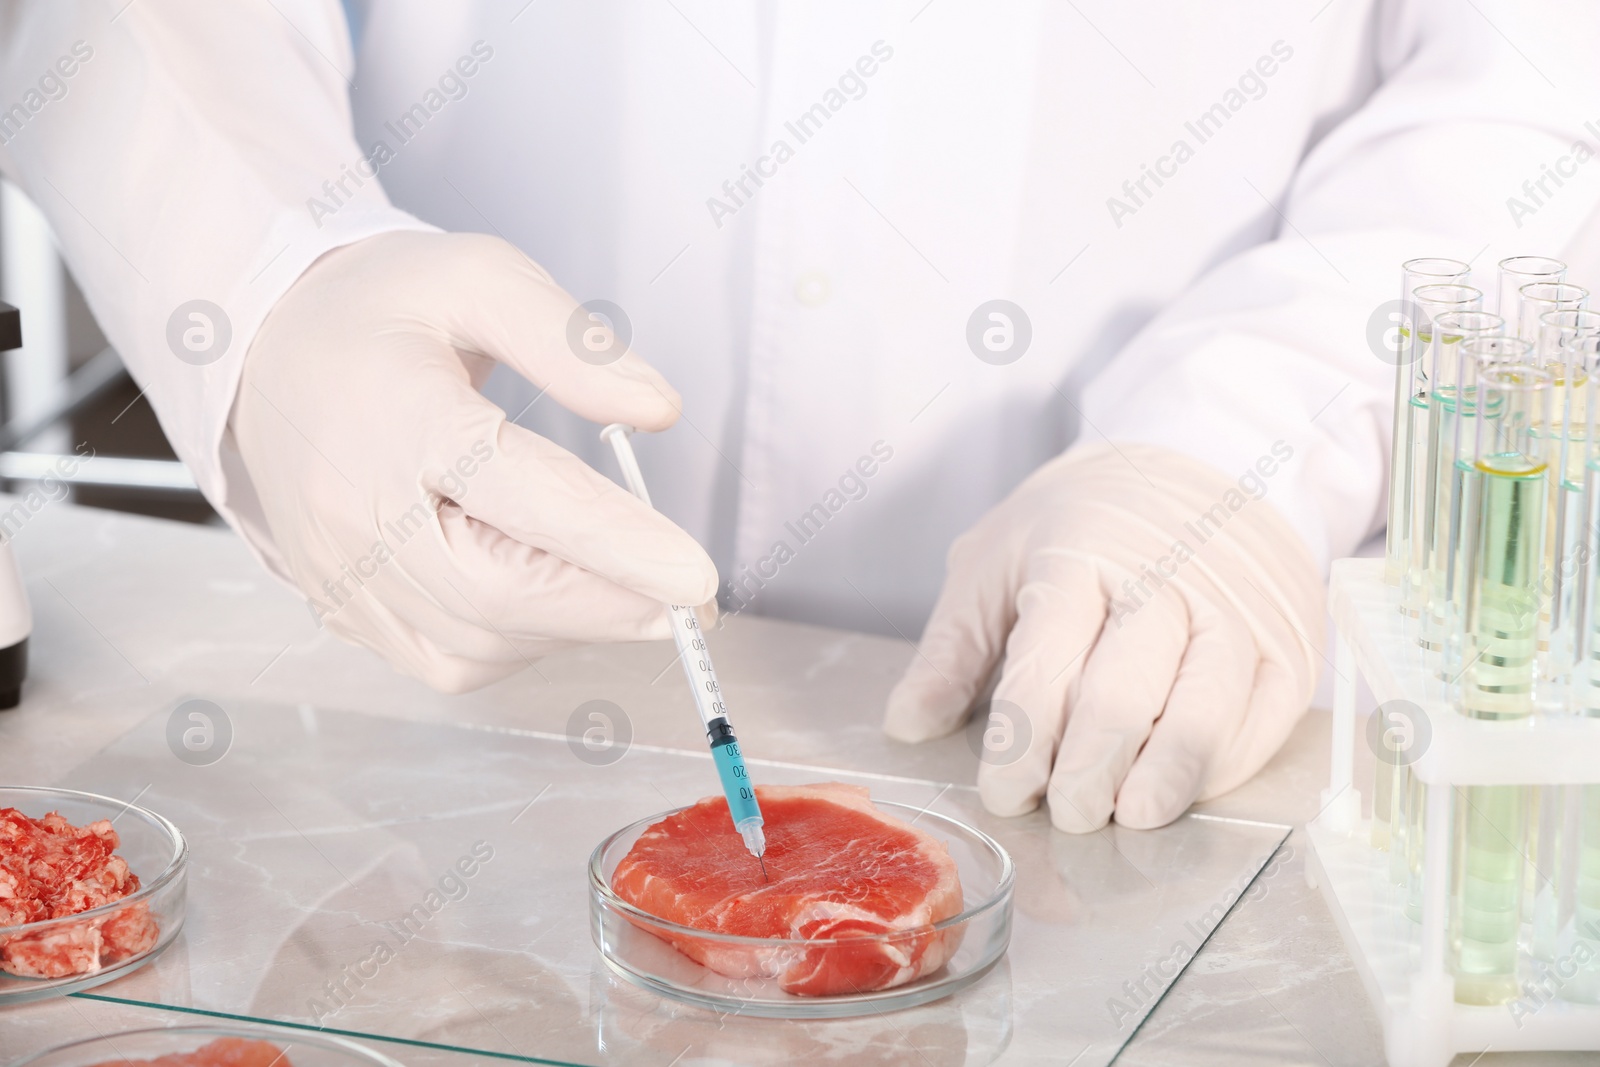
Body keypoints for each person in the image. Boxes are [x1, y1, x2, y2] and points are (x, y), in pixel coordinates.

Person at [2, 0, 1596, 833]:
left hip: (1167, 696)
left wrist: (1250, 433)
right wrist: (271, 271)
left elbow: (1538, 75)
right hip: (442, 653)